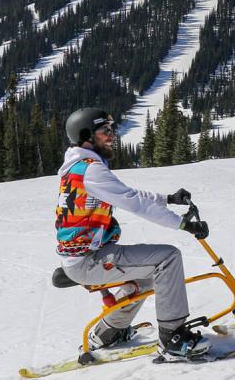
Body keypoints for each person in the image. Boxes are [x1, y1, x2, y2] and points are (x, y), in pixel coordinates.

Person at [56, 108, 210, 360]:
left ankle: (107, 333)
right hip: (88, 259)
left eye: (112, 129)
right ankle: (173, 338)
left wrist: (167, 199)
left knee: (146, 275)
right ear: (86, 137)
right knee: (167, 258)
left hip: (85, 255)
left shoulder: (80, 166)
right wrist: (184, 225)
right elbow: (134, 203)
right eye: (105, 130)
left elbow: (129, 194)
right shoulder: (90, 170)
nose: (112, 135)